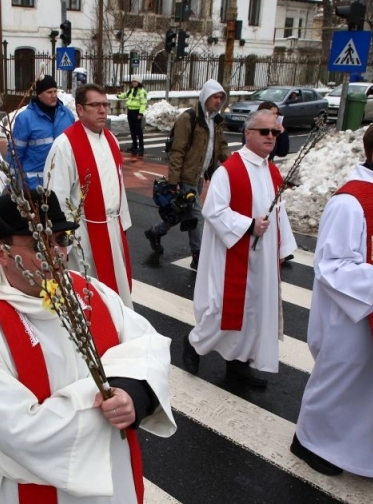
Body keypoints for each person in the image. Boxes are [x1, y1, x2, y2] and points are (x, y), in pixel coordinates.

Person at [0, 190, 176, 503]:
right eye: (39, 244)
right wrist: (102, 398)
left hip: (115, 471)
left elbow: (145, 344)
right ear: (1, 253)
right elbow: (18, 432)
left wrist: (133, 393)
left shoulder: (88, 291)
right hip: (40, 487)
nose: (56, 253)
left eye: (61, 239)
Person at [292, 120, 373, 490]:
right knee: (344, 382)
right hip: (355, 312)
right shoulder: (350, 202)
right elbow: (330, 266)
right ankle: (311, 442)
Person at [183, 109, 297, 387]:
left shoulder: (271, 169)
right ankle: (194, 342)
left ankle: (238, 366)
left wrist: (283, 248)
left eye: (275, 131)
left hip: (263, 257)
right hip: (233, 254)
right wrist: (248, 226)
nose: (271, 136)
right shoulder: (229, 170)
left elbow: (278, 212)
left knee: (254, 312)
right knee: (224, 312)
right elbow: (213, 210)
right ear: (248, 134)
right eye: (265, 131)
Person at [44, 83, 134, 308]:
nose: (103, 110)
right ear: (80, 109)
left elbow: (119, 184)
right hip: (84, 233)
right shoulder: (65, 145)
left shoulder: (111, 139)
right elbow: (56, 195)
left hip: (111, 227)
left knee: (117, 293)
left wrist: (123, 223)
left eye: (105, 104)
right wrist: (64, 240)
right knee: (89, 295)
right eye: (95, 105)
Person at [144, 79, 230, 270]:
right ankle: (198, 256)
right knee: (197, 216)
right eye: (214, 97)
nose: (218, 101)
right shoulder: (188, 118)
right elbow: (177, 151)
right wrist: (174, 181)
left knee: (183, 213)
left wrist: (232, 165)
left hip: (199, 176)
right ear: (205, 97)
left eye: (220, 98)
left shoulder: (215, 121)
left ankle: (155, 232)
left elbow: (222, 145)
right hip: (185, 178)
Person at [8, 74, 74, 189]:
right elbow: (15, 153)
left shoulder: (67, 115)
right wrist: (11, 184)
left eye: (55, 91)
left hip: (63, 182)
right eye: (49, 92)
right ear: (39, 94)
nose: (54, 95)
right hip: (35, 184)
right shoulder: (25, 119)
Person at [116, 76, 147, 156]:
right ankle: (134, 146)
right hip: (130, 111)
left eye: (135, 82)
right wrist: (119, 96)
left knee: (138, 130)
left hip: (137, 112)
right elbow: (125, 95)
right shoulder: (131, 90)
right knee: (132, 130)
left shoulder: (142, 92)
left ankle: (141, 146)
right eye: (133, 82)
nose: (133, 83)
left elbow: (143, 103)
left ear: (139, 83)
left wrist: (140, 113)